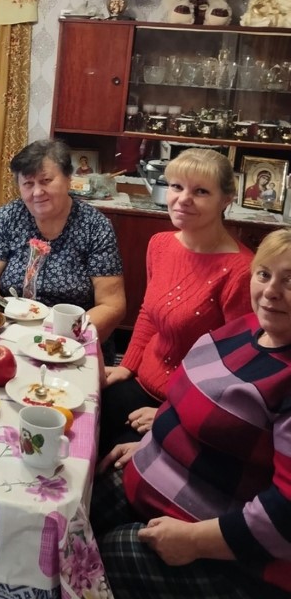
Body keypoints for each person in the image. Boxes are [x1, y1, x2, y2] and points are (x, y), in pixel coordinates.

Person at [93, 228, 291, 599]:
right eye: (264, 275)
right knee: (78, 510)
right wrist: (154, 443)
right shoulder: (248, 329)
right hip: (185, 497)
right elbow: (196, 399)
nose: (272, 291)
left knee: (100, 561)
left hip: (256, 572)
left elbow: (286, 514)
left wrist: (194, 542)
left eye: (290, 281)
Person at [100, 148, 253, 454]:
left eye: (201, 191)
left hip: (190, 407)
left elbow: (236, 368)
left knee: (109, 464)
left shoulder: (241, 272)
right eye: (176, 187)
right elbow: (148, 313)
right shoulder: (160, 245)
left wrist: (172, 416)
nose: (183, 199)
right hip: (141, 381)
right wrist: (127, 366)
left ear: (226, 199)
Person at [0, 139, 125, 344]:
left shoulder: (95, 227)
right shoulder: (7, 218)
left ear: (68, 179)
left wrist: (61, 338)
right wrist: (9, 321)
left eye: (46, 181)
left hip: (72, 339)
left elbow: (112, 305)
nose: (37, 192)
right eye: (28, 184)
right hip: (11, 331)